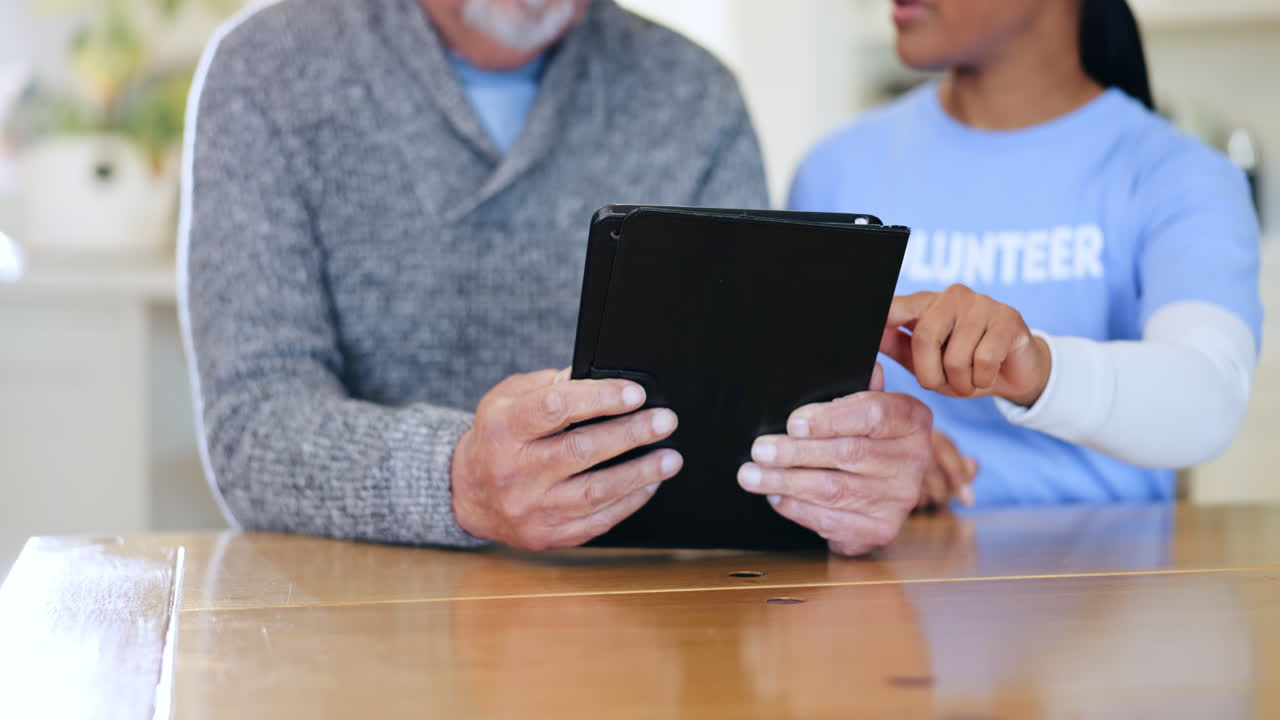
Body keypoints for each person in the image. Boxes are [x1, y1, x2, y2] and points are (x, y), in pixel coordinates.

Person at [182, 0, 933, 556]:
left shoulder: (695, 94)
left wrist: (838, 486)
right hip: (350, 616)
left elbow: (744, 422)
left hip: (647, 629)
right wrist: (457, 480)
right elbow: (252, 428)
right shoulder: (267, 69)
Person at [789, 0, 1261, 507]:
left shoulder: (1180, 176)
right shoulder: (834, 169)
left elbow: (1207, 398)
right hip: (877, 578)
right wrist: (875, 458)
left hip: (1110, 576)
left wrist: (1036, 365)